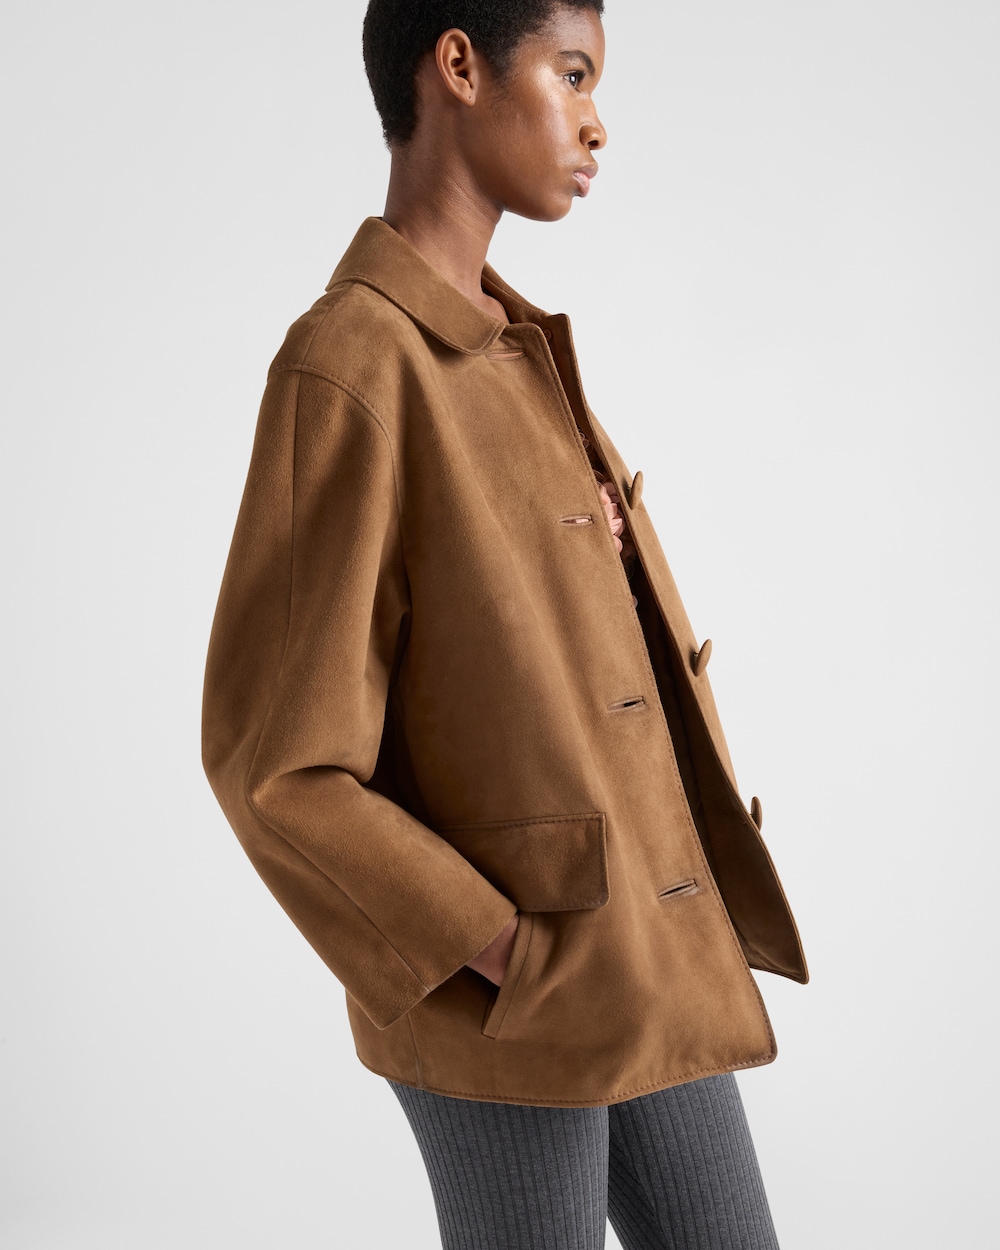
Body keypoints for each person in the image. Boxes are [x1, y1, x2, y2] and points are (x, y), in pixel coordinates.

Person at [201, 1, 808, 1245]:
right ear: (460, 66)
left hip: (643, 946)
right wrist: (500, 948)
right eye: (571, 73)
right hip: (506, 990)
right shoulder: (350, 366)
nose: (596, 122)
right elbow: (277, 763)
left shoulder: (512, 350)